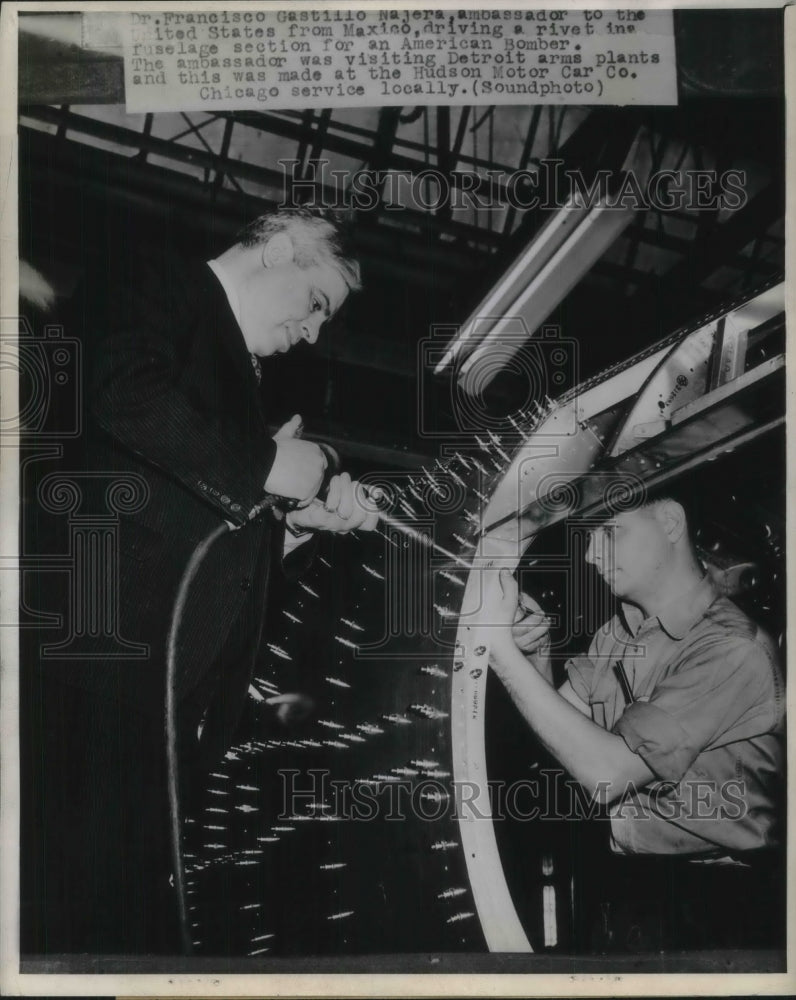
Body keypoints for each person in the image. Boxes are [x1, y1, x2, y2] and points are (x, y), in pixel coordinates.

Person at [20, 209, 378, 956]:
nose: (313, 334)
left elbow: (205, 535)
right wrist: (265, 466)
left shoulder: (238, 381)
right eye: (317, 304)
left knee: (115, 916)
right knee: (67, 911)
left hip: (165, 706)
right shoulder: (153, 277)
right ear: (282, 246)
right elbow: (120, 392)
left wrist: (294, 528)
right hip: (100, 669)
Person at [488, 495, 785, 949]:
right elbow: (562, 736)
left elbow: (607, 774)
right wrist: (536, 655)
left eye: (608, 533)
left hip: (723, 907)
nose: (589, 555)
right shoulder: (618, 633)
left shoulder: (731, 648)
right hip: (631, 885)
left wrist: (501, 655)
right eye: (587, 538)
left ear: (669, 521)